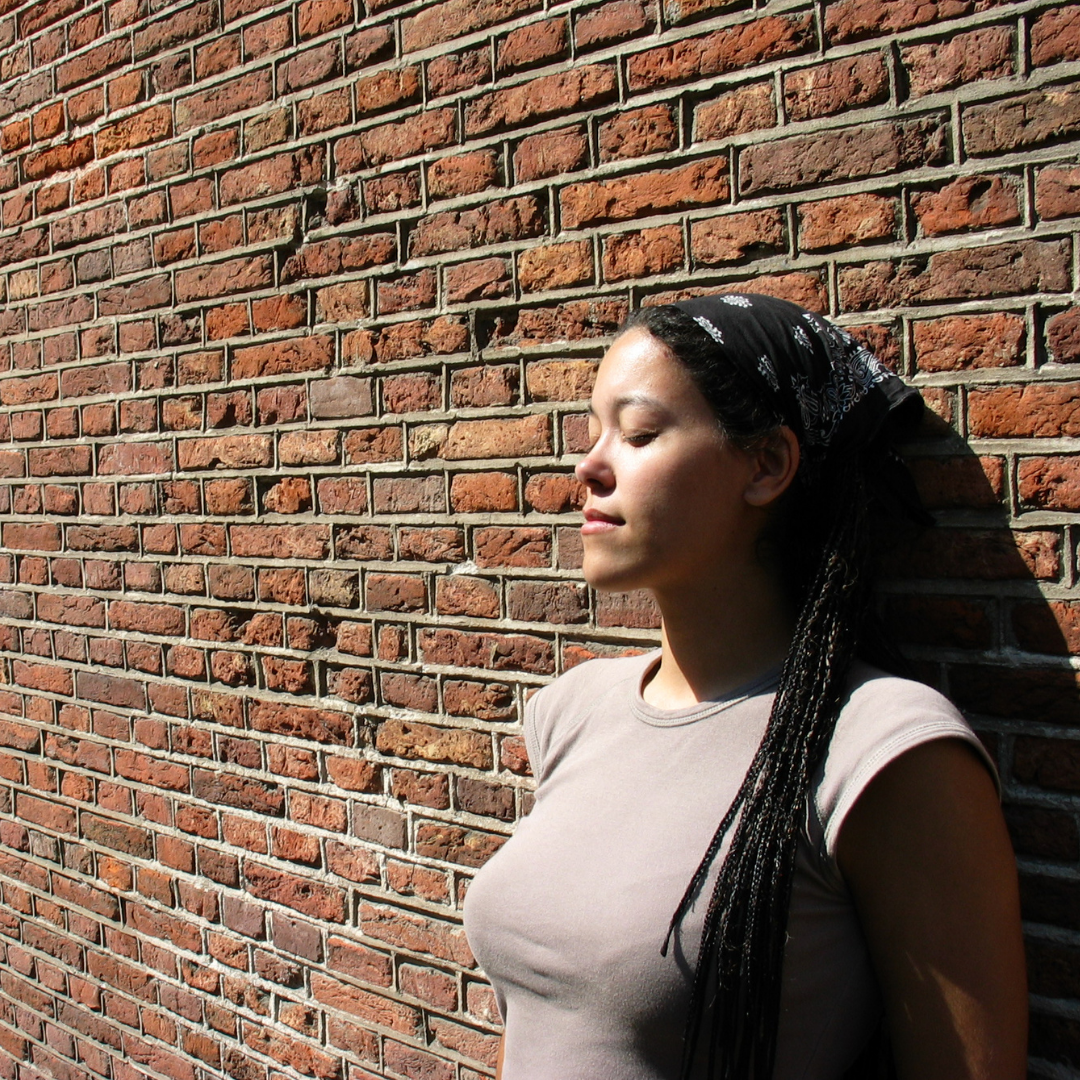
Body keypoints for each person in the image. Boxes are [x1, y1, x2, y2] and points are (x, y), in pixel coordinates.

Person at [462, 294, 1027, 1080]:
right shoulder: (572, 711)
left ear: (766, 465)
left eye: (639, 433)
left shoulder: (882, 748)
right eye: (594, 430)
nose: (587, 466)